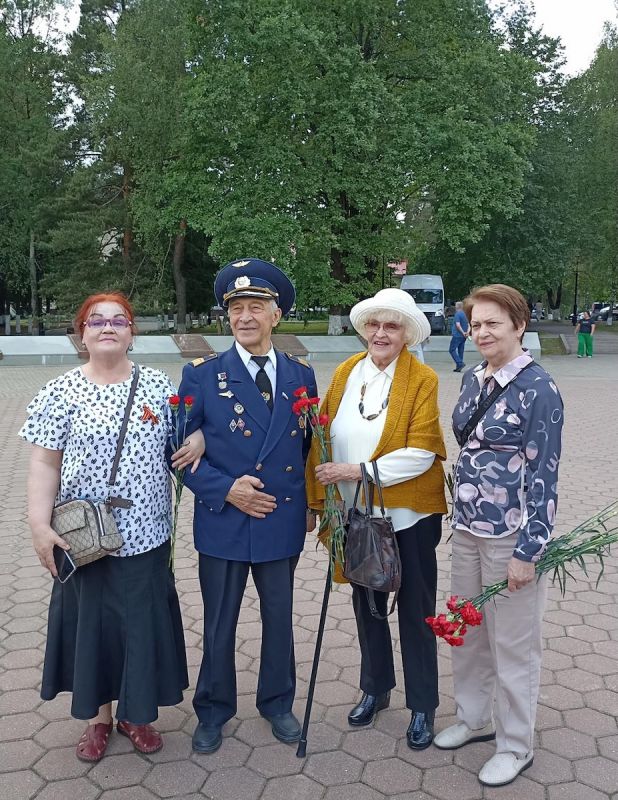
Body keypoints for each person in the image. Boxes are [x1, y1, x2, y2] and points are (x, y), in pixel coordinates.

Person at [19, 292, 203, 763]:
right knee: (92, 627)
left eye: (118, 320)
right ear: (81, 333)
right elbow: (44, 463)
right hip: (83, 538)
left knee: (139, 625)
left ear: (131, 333)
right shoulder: (59, 391)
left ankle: (136, 716)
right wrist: (39, 525)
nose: (107, 327)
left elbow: (183, 436)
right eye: (96, 320)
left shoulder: (158, 386)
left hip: (145, 533)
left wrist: (198, 435)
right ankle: (98, 718)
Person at [174, 258, 318, 754]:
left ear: (276, 315)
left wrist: (313, 503)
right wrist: (225, 489)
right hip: (225, 518)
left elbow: (309, 446)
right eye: (236, 308)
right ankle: (213, 709)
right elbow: (178, 453)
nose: (245, 317)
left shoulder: (301, 375)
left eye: (256, 307)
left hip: (280, 515)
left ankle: (277, 703)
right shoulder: (202, 376)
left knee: (280, 618)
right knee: (219, 622)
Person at [305, 288, 448, 750]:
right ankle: (376, 688)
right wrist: (318, 500)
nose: (381, 333)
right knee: (367, 605)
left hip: (408, 517)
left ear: (407, 334)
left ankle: (422, 704)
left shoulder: (422, 378)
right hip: (356, 515)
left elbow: (422, 451)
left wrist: (358, 471)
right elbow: (322, 435)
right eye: (374, 324)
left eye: (392, 326)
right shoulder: (347, 371)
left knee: (415, 610)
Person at [434, 284, 563, 787]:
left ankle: (515, 745)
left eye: (493, 323)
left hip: (511, 536)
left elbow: (544, 477)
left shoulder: (539, 389)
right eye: (476, 324)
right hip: (467, 529)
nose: (482, 332)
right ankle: (473, 719)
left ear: (519, 325)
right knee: (466, 631)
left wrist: (529, 551)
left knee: (513, 644)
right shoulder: (474, 378)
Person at [449, 300, 469, 372]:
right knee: (461, 350)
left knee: (452, 350)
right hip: (464, 336)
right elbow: (469, 325)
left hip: (457, 335)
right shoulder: (465, 314)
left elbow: (458, 325)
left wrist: (463, 332)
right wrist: (467, 333)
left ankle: (460, 363)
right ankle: (459, 367)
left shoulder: (457, 314)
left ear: (456, 307)